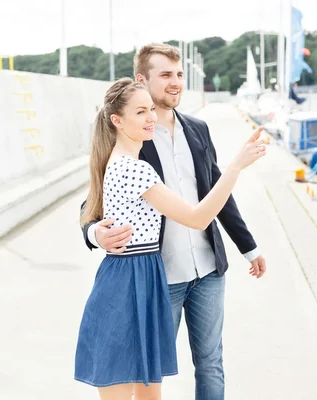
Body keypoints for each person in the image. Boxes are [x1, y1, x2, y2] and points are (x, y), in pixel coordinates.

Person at [80, 43, 267, 400]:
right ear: (142, 79)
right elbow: (94, 202)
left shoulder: (197, 129)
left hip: (208, 269)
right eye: (165, 74)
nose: (175, 82)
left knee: (210, 362)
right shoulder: (135, 148)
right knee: (144, 376)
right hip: (156, 277)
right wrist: (94, 232)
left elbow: (216, 195)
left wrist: (249, 247)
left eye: (179, 74)